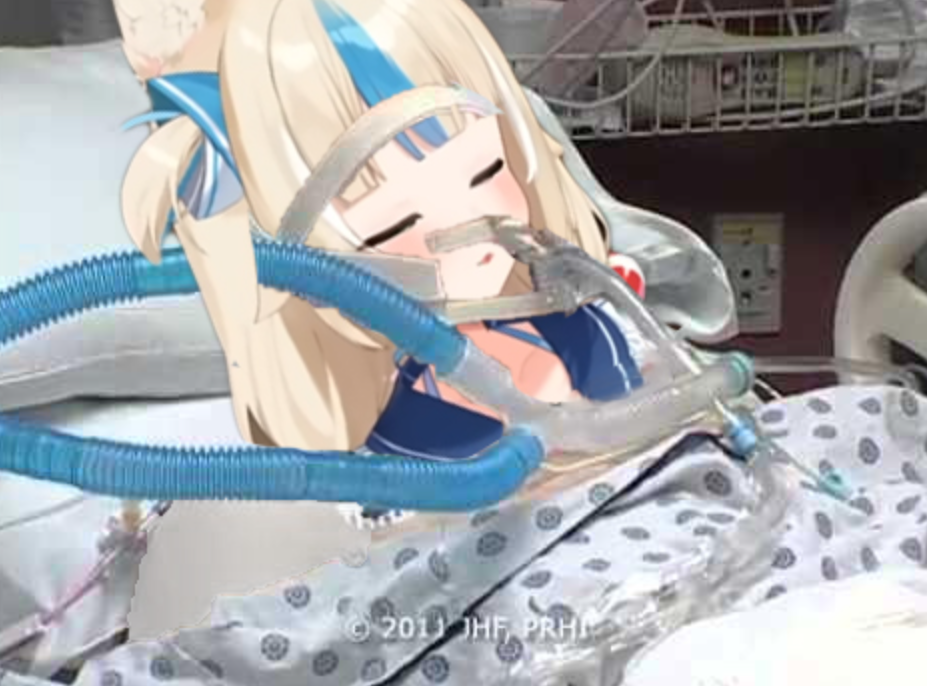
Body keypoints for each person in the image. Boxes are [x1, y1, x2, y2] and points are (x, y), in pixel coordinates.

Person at [120, 0, 647, 528]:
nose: (474, 226)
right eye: (396, 225)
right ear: (313, 270)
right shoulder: (409, 434)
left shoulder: (584, 334)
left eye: (487, 172)